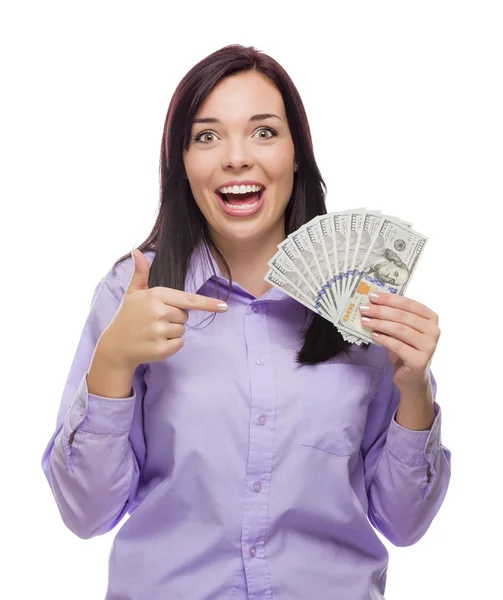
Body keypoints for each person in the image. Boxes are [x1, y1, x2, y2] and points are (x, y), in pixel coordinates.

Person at [41, 44, 451, 600]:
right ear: (181, 163)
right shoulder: (130, 293)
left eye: (263, 131)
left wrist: (414, 391)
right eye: (206, 136)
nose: (236, 158)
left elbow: (404, 525)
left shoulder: (362, 307)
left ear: (297, 154)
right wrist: (112, 363)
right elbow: (86, 516)